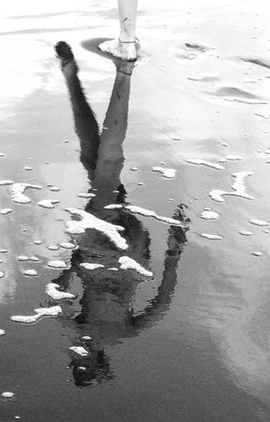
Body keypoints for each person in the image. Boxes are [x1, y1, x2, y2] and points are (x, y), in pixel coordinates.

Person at [52, 41, 187, 386]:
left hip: (128, 250)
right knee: (106, 166)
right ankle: (123, 70)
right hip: (104, 248)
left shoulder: (116, 334)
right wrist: (72, 266)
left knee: (94, 163)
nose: (76, 353)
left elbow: (163, 301)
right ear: (93, 359)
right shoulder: (95, 333)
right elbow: (55, 293)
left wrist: (173, 251)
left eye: (74, 360)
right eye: (80, 360)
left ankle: (72, 76)